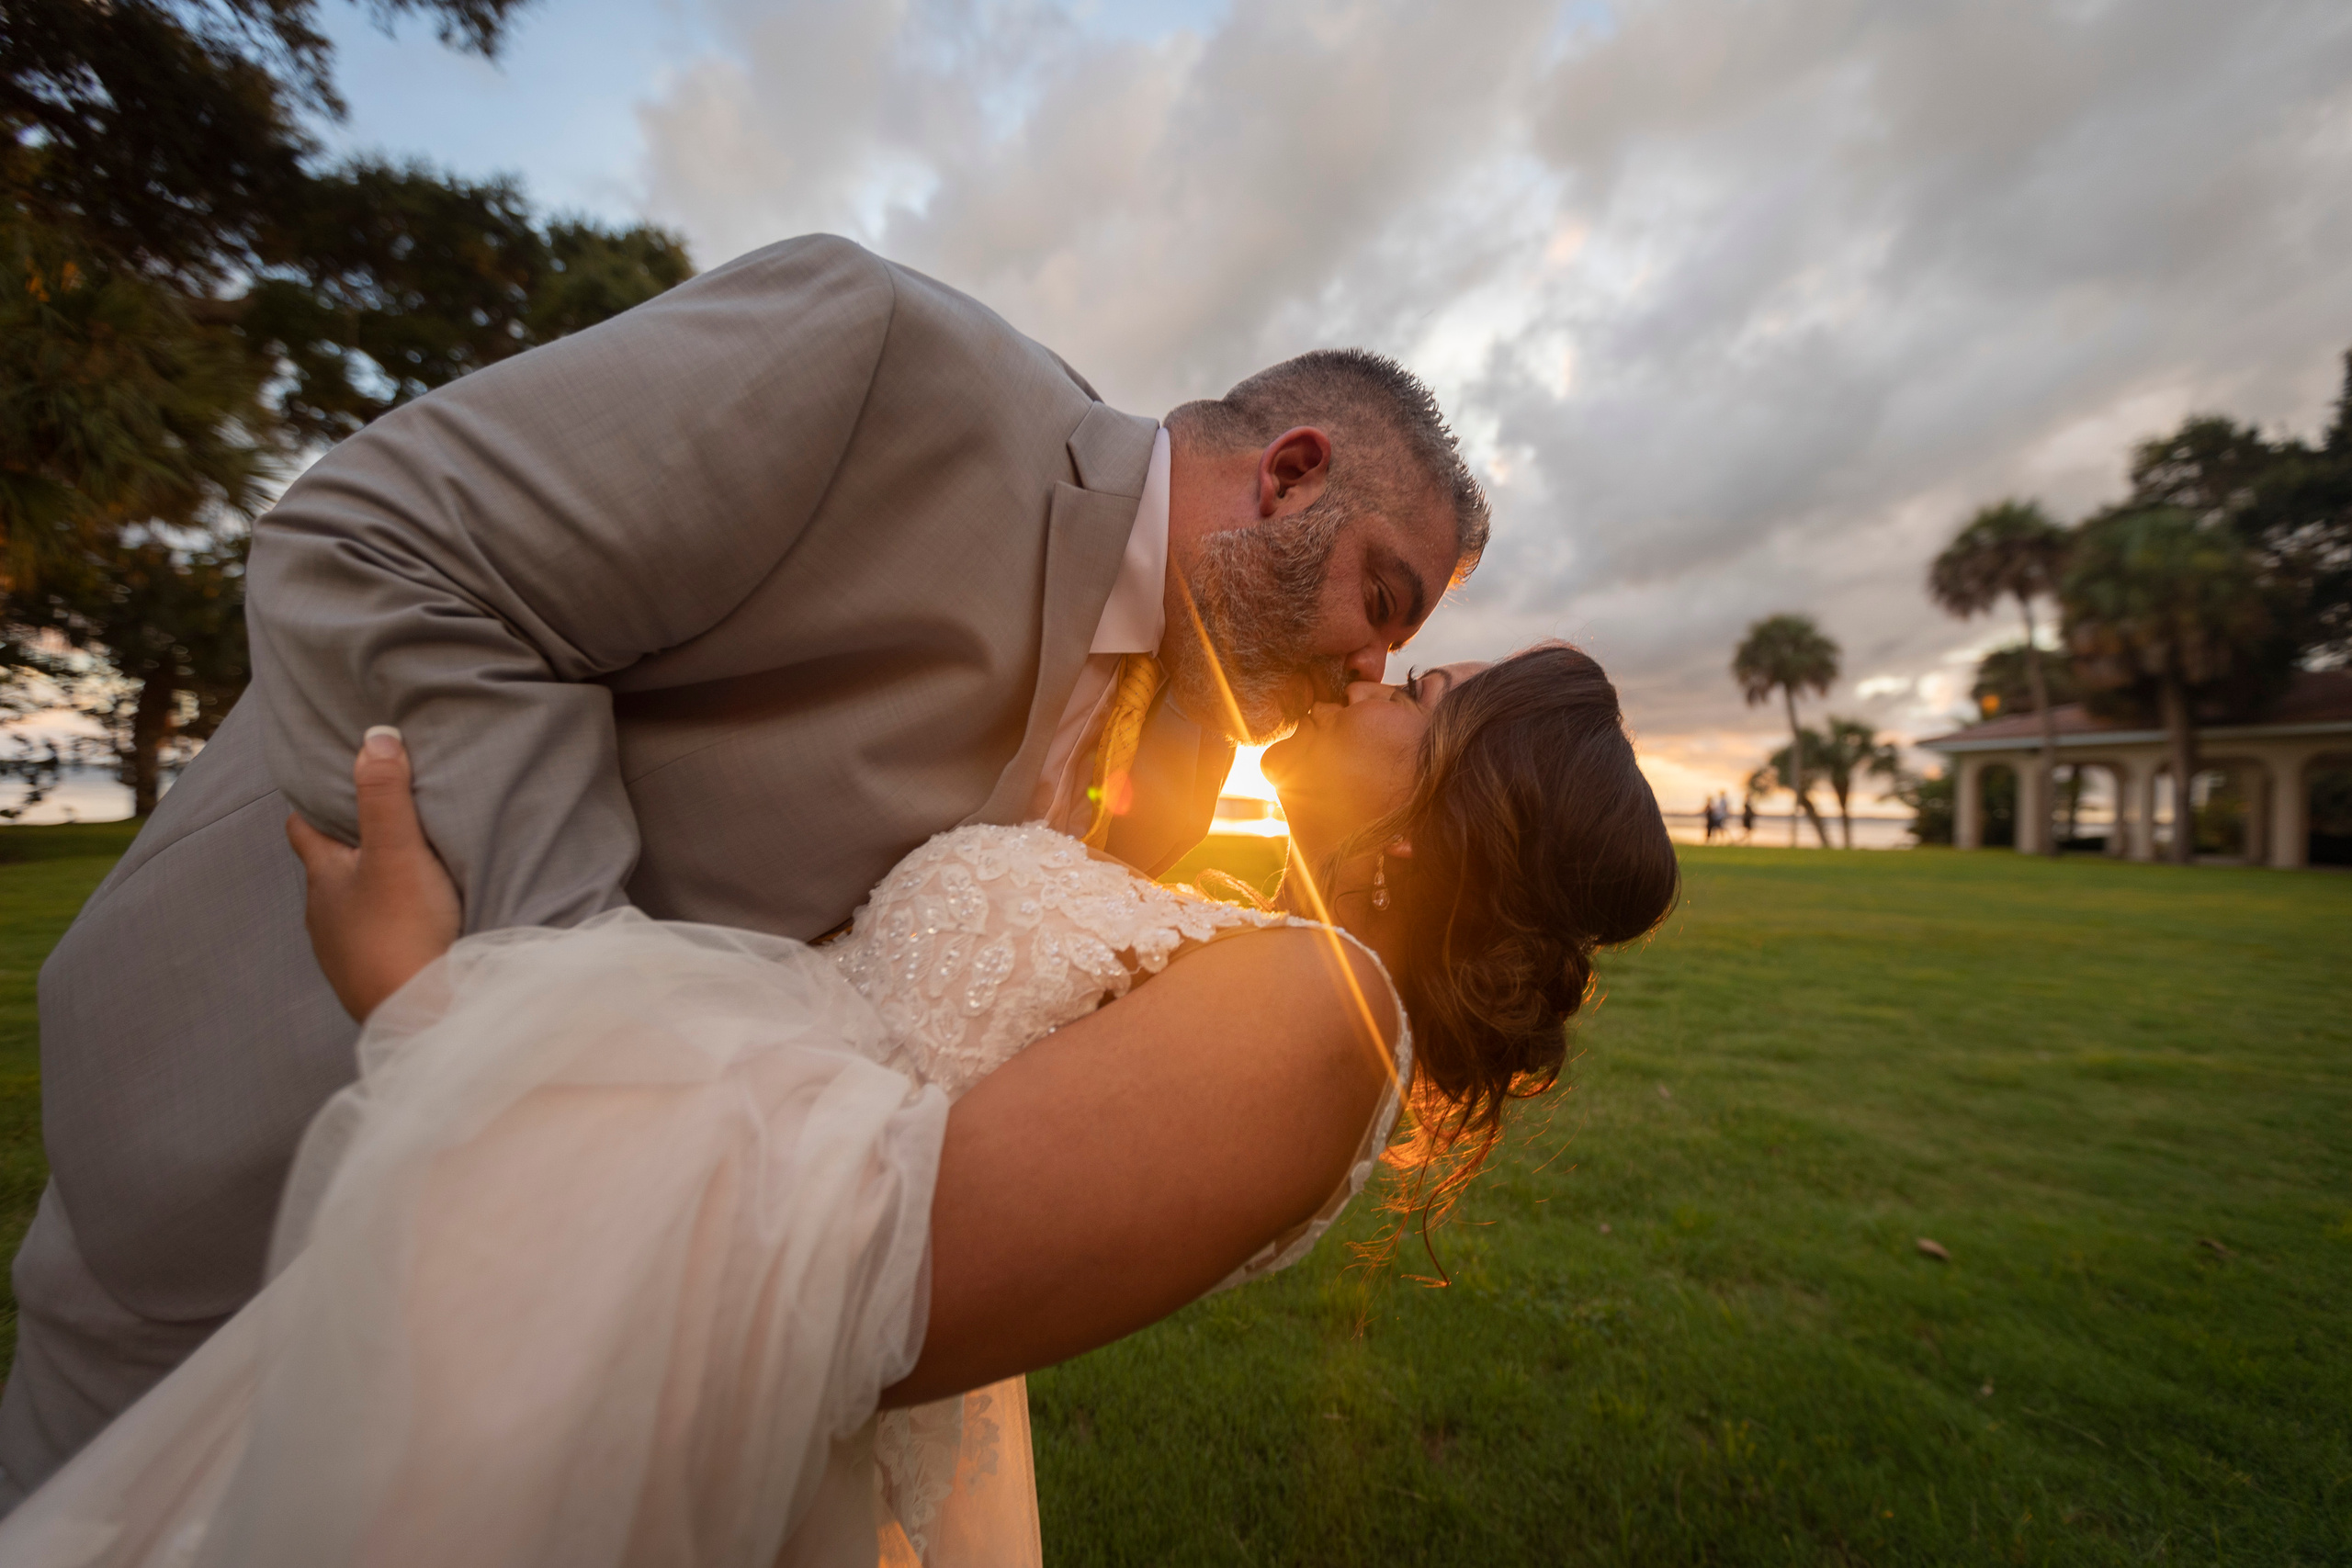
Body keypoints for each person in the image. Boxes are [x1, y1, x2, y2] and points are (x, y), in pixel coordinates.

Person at [0, 236, 1490, 1504]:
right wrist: (515, 1033)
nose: (1371, 662)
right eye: (1383, 596)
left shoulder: (1170, 737)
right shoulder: (888, 364)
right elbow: (385, 545)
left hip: (544, 1339)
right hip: (248, 1145)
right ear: (1290, 476)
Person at [0, 644, 1679, 1564]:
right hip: (542, 1321)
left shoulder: (1323, 1021)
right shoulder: (1253, 939)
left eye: (1435, 696)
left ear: (1445, 823)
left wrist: (426, 1007)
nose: (1392, 671)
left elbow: (858, 1282)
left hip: (616, 1425)